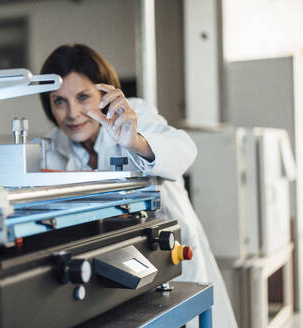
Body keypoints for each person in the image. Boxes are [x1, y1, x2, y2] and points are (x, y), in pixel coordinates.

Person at [39, 44, 238, 328]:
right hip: (108, 268)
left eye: (83, 97)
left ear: (105, 93)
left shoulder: (135, 115)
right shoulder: (53, 145)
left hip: (167, 254)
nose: (72, 113)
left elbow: (184, 150)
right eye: (59, 101)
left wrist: (135, 142)